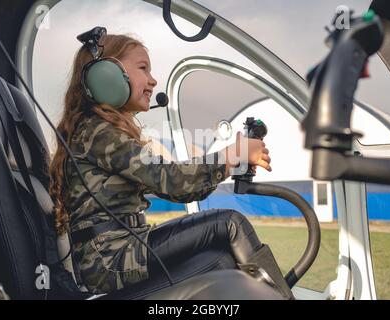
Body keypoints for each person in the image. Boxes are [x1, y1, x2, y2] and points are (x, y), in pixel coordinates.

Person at [49, 31, 292, 299]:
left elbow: (181, 187)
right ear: (106, 75)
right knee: (229, 223)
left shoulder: (94, 131)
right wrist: (233, 154)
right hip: (111, 258)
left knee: (220, 256)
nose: (153, 80)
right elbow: (174, 182)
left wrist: (234, 161)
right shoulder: (97, 132)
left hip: (117, 253)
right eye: (143, 68)